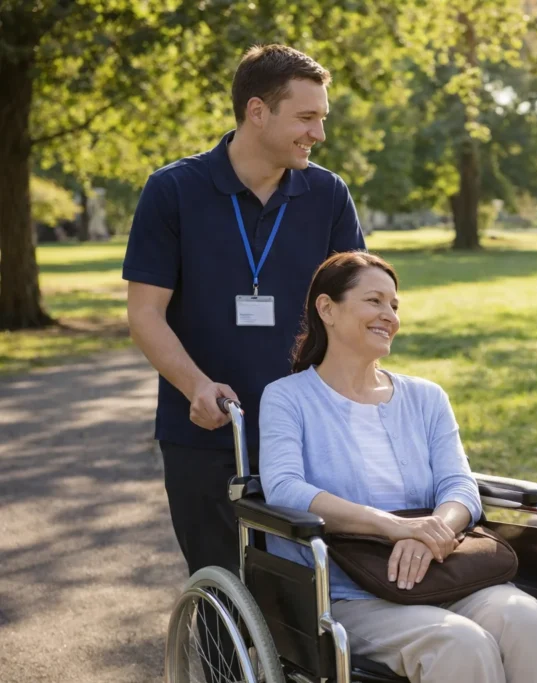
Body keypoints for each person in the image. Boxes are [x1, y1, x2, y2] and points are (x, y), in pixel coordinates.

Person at [259, 251, 537, 683]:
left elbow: (459, 486)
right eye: (374, 301)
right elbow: (285, 489)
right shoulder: (287, 398)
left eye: (394, 305)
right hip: (350, 595)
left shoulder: (426, 398)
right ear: (327, 308)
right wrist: (393, 527)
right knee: (461, 644)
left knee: (526, 618)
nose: (388, 315)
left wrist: (431, 534)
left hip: (444, 571)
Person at [122, 44, 365, 578]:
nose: (318, 134)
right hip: (207, 433)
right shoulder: (173, 190)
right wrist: (195, 386)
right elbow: (145, 313)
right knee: (222, 590)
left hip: (309, 430)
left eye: (321, 118)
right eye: (306, 117)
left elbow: (356, 306)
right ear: (258, 111)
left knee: (312, 595)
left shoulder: (328, 194)